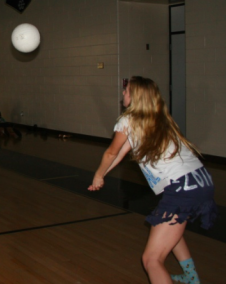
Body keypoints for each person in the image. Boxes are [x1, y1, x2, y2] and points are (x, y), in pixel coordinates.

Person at [88, 76, 216, 284]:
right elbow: (120, 155)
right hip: (201, 181)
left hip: (182, 187)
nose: (123, 94)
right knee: (171, 229)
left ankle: (189, 277)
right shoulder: (158, 118)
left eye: (127, 90)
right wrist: (101, 177)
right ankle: (191, 277)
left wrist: (97, 174)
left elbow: (111, 153)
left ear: (135, 96)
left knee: (151, 259)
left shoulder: (128, 120)